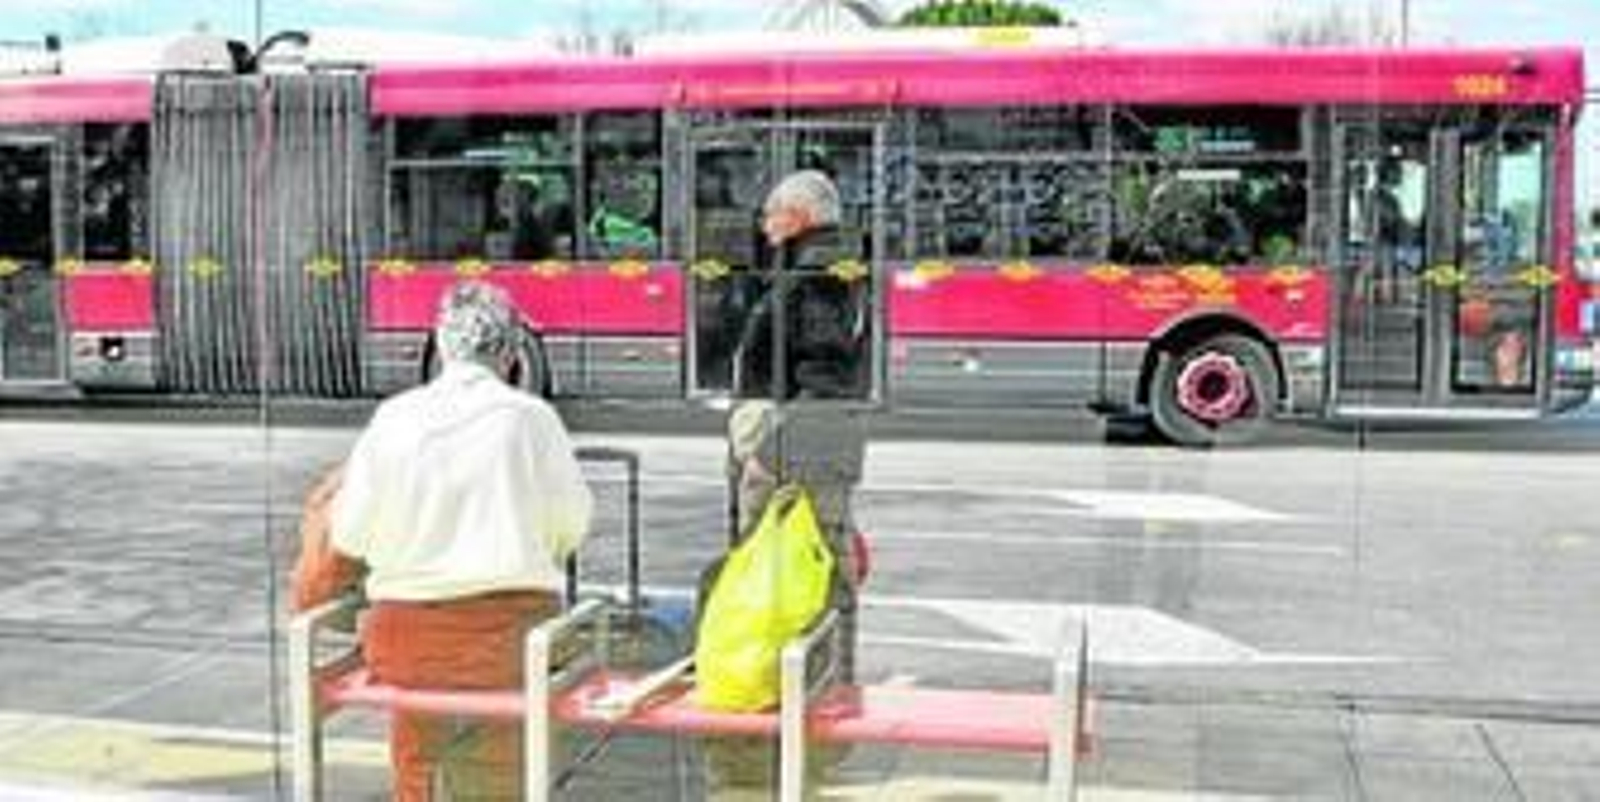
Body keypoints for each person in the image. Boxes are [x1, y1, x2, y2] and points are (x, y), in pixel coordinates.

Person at [320, 280, 593, 802]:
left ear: (440, 346)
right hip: (510, 643)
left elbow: (351, 532)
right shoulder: (533, 420)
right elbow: (570, 527)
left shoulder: (394, 417)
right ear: (511, 354)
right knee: (502, 754)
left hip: (405, 643)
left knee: (417, 739)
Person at [709, 170, 870, 798]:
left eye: (771, 212)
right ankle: (816, 701)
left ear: (800, 215)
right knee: (813, 576)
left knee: (793, 581)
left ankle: (804, 710)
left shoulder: (818, 275)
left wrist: (768, 458)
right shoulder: (830, 265)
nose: (762, 222)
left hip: (799, 461)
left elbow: (824, 382)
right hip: (820, 456)